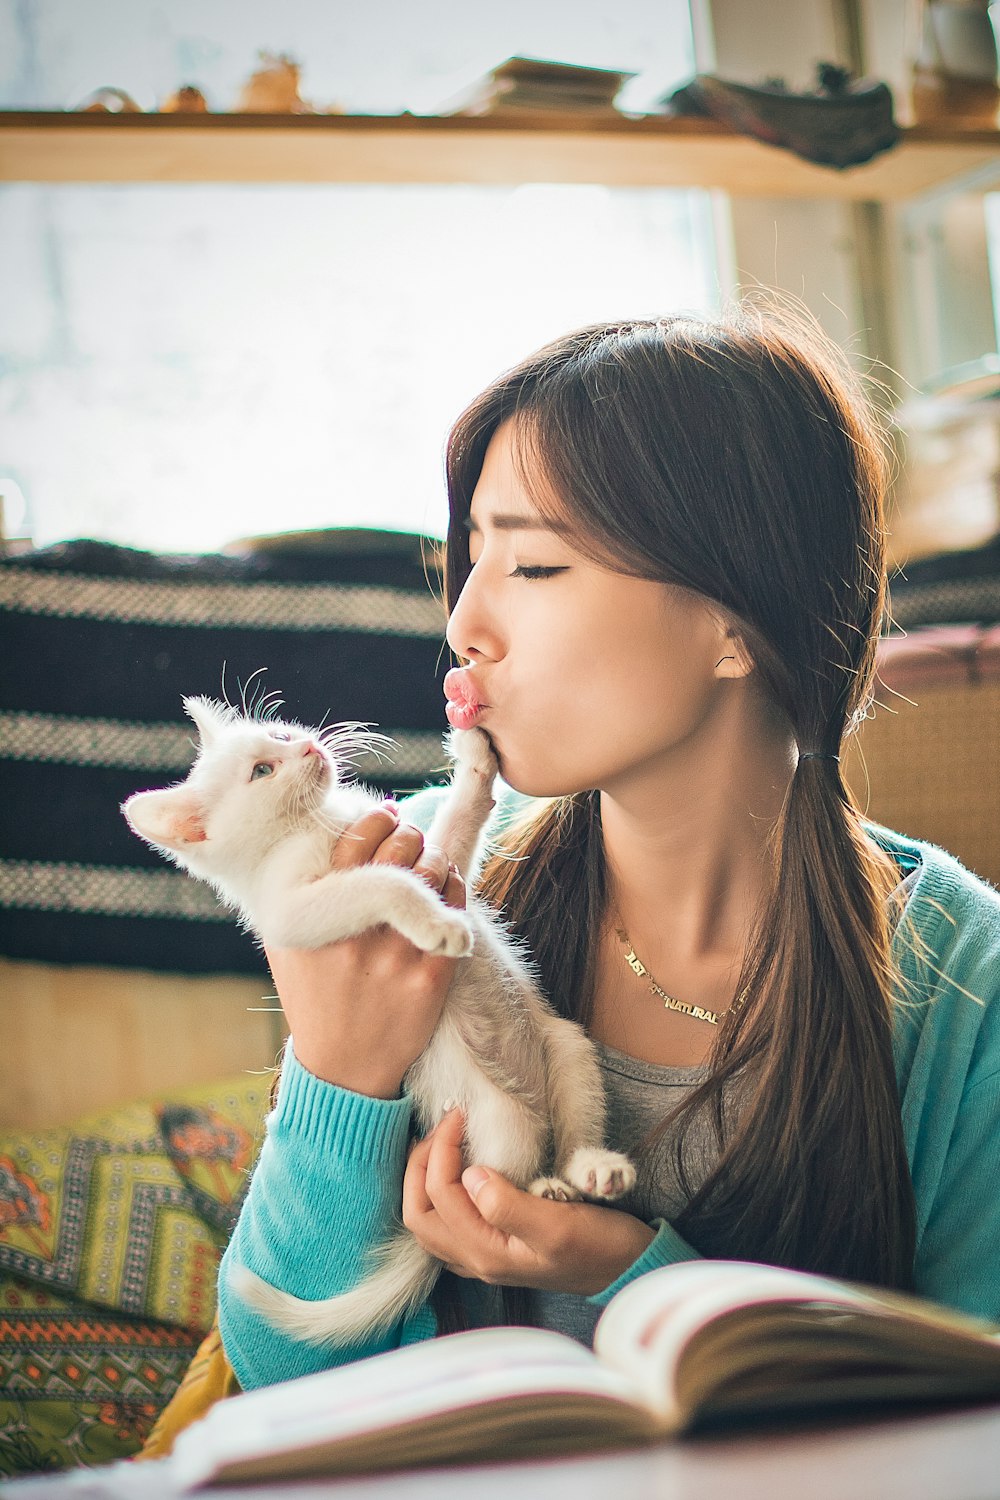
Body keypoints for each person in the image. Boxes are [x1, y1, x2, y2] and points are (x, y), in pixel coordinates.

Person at [217, 307, 1000, 1393]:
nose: (465, 624)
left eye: (532, 566)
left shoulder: (962, 978)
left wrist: (635, 1272)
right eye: (470, 553)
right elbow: (281, 1382)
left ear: (739, 623)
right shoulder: (429, 893)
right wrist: (337, 1075)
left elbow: (974, 1412)